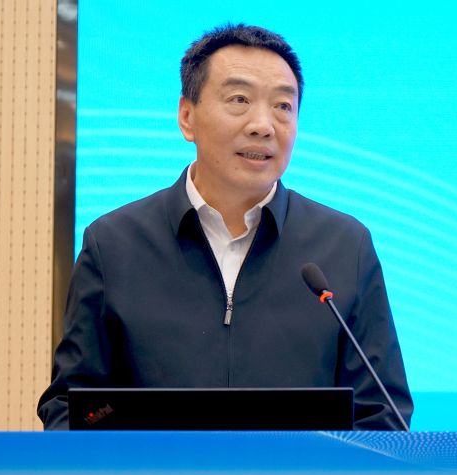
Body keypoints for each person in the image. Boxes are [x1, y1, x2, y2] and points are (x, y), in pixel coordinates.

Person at [39, 24, 409, 429]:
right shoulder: (113, 244)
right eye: (239, 100)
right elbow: (70, 407)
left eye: (283, 106)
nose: (263, 125)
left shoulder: (345, 247)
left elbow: (381, 415)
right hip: (157, 473)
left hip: (300, 473)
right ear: (187, 117)